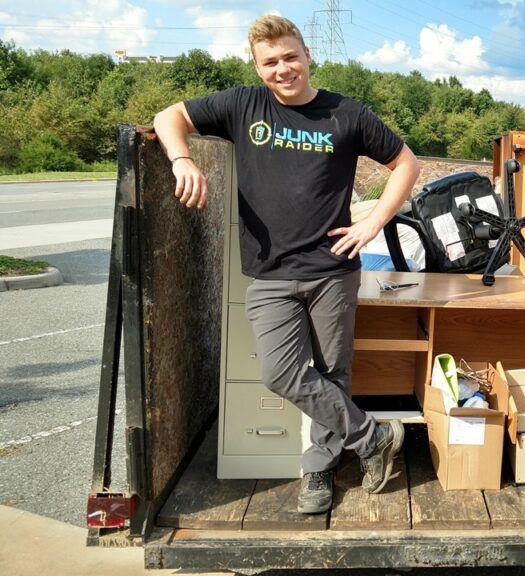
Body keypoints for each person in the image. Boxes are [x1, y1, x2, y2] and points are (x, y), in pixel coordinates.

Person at [153, 15, 421, 514]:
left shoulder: (347, 113)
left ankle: (318, 469)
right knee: (281, 373)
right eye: (270, 62)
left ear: (308, 56)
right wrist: (180, 159)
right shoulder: (241, 105)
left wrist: (374, 223)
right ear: (258, 68)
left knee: (332, 373)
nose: (283, 69)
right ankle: (373, 437)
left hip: (333, 270)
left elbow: (406, 163)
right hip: (270, 274)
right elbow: (171, 116)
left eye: (290, 57)